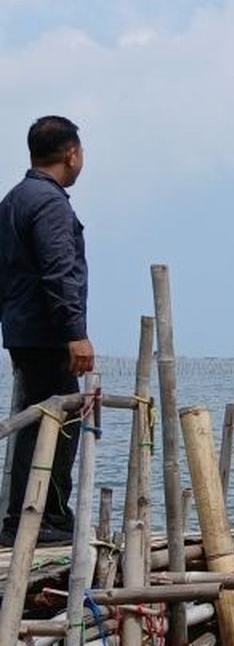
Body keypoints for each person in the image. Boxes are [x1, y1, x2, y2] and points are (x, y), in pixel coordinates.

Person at [0, 116, 94, 547]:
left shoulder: (15, 199)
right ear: (71, 154)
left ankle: (28, 516)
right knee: (60, 422)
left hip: (23, 329)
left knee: (37, 422)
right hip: (46, 333)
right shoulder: (50, 203)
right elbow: (59, 273)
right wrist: (75, 332)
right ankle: (44, 517)